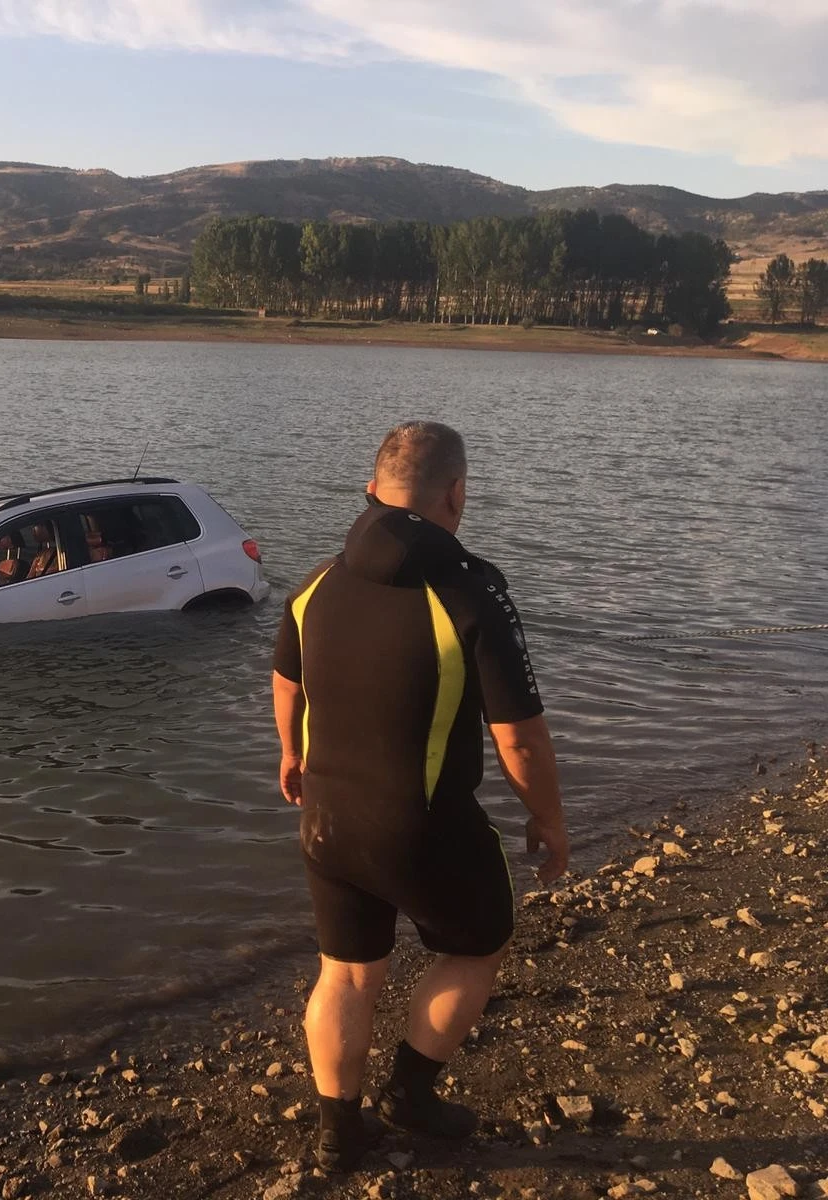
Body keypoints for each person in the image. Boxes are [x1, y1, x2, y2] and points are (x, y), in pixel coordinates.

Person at [271, 421, 568, 1172]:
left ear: (371, 492)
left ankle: (339, 1133)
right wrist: (549, 818)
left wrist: (292, 751)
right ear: (457, 494)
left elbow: (287, 679)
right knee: (479, 944)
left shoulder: (315, 583)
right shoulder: (471, 588)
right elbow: (519, 737)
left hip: (327, 823)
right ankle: (409, 1093)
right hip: (423, 824)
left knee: (346, 971)